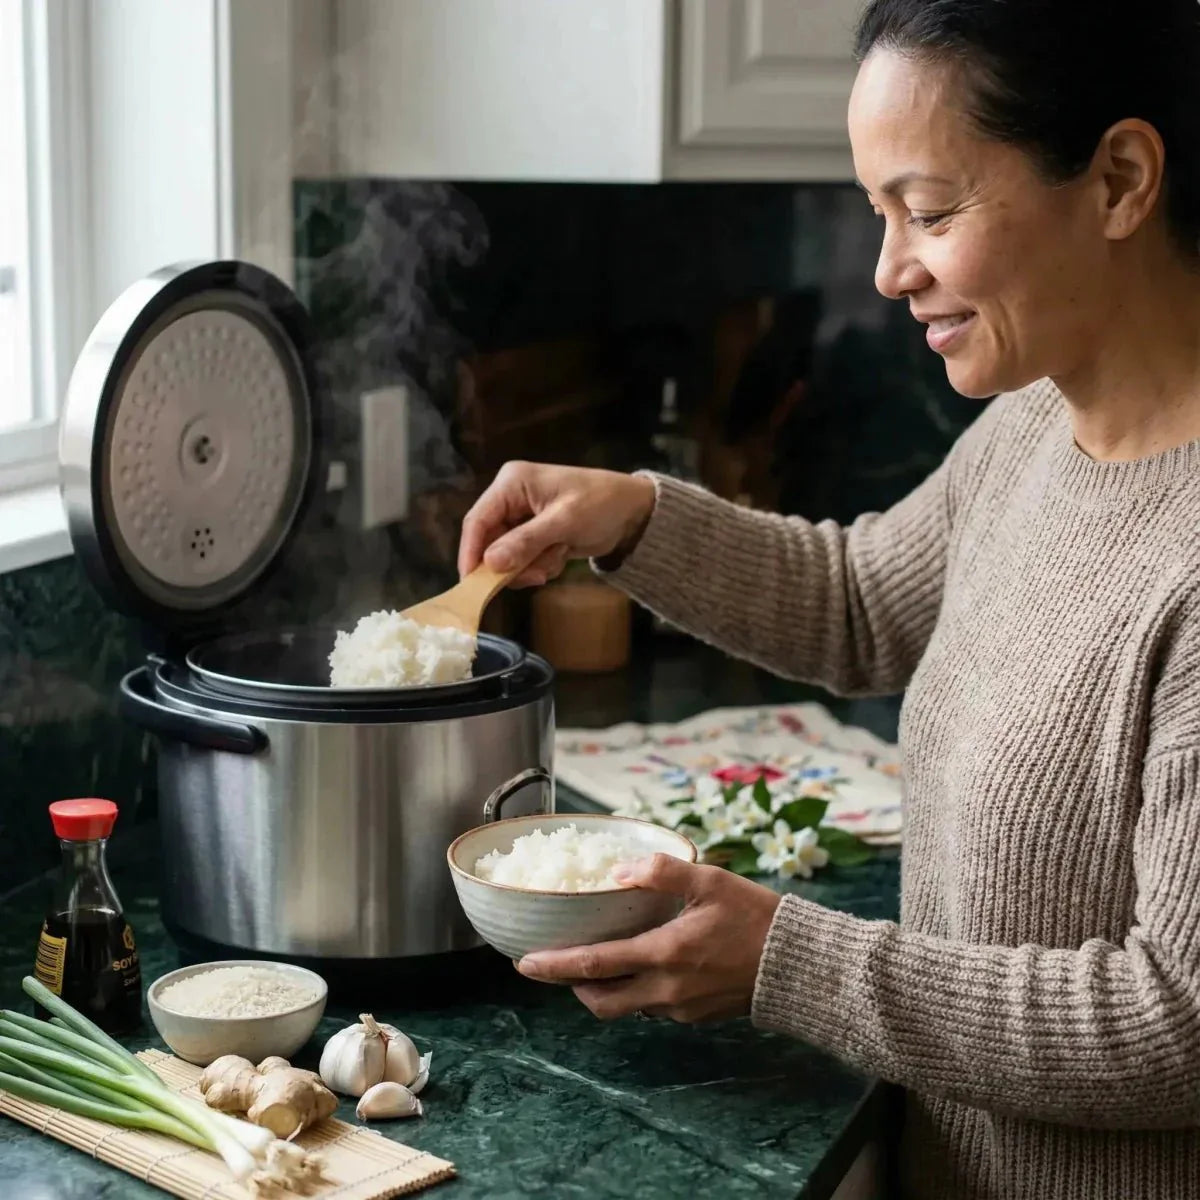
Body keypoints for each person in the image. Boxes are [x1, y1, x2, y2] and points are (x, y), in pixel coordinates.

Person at [456, 2, 1200, 1196]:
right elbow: (862, 604)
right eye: (878, 213)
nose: (889, 269)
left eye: (930, 208)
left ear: (1117, 179)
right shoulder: (1028, 433)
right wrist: (633, 516)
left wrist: (787, 961)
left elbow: (1179, 1026)